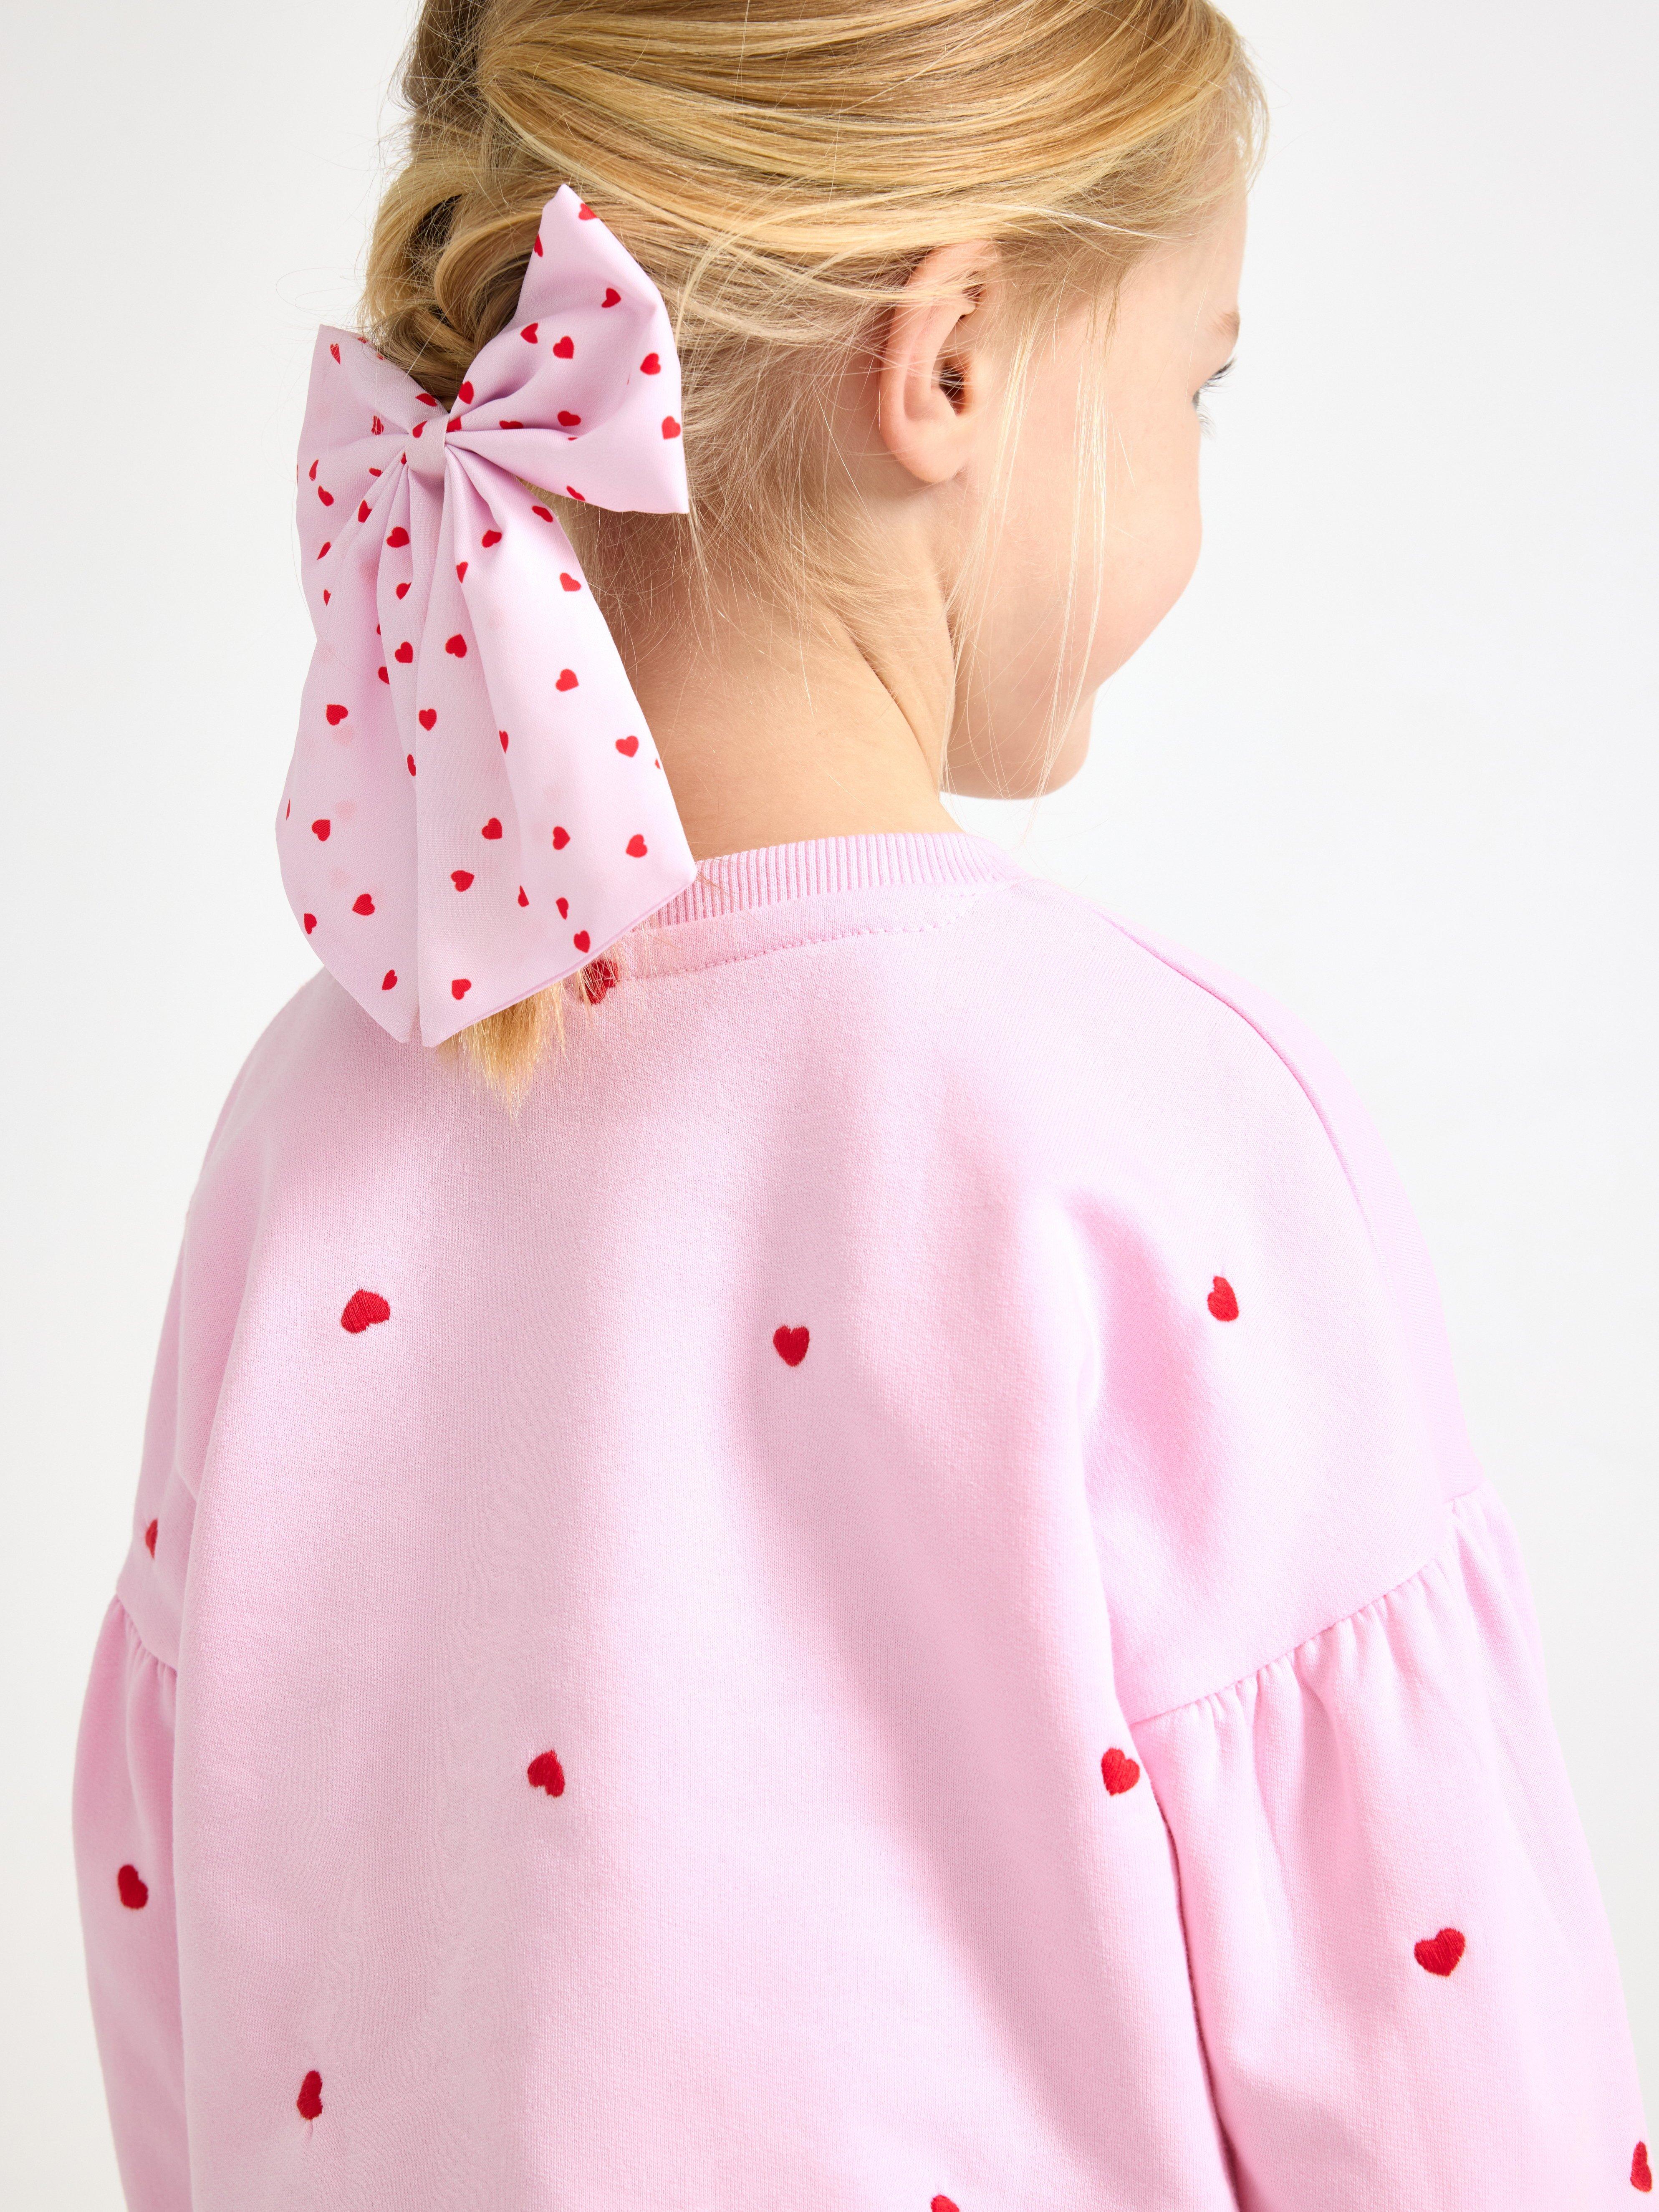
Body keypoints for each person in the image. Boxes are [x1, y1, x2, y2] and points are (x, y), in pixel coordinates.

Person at [73, 2, 1647, 2205]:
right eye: (1192, 377)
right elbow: (1446, 2087)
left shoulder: (304, 1124)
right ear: (952, 365)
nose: (1196, 451)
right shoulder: (1149, 1130)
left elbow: (191, 1976)